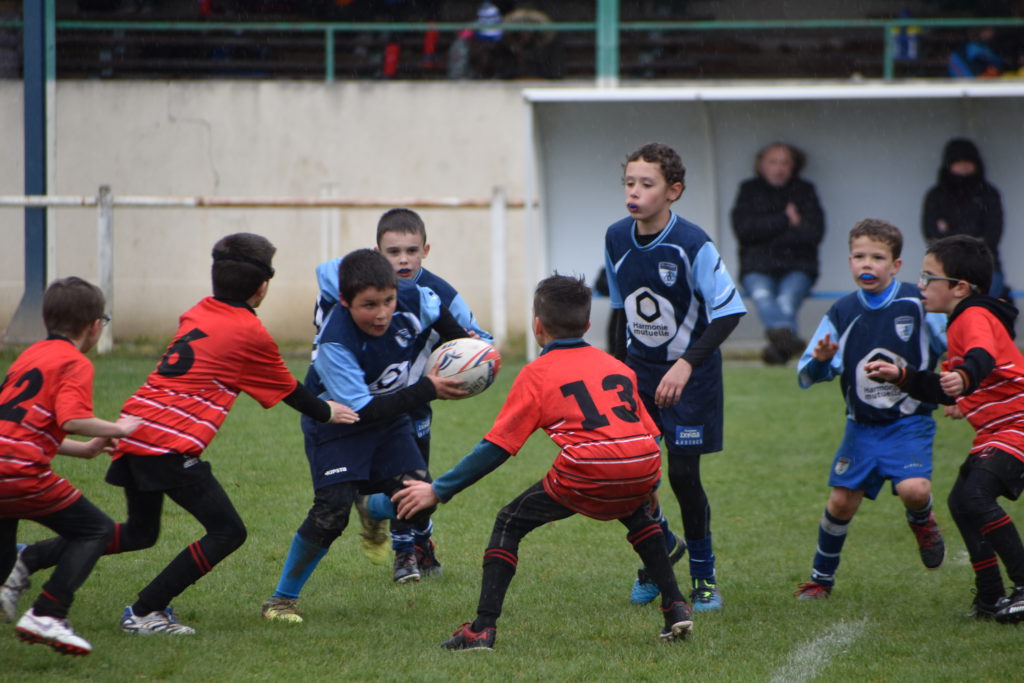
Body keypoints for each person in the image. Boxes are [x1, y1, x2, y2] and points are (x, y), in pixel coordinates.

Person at [2, 233, 358, 637]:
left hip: (133, 430)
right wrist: (328, 411)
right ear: (262, 287)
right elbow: (288, 388)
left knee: (140, 532)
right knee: (228, 531)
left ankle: (28, 557)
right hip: (166, 444)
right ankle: (145, 611)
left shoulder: (198, 312)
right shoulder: (248, 332)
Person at [373, 274, 693, 649]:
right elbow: (650, 432)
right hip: (642, 460)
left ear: (537, 326)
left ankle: (482, 628)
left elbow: (497, 447)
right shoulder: (615, 365)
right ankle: (675, 609)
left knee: (509, 522)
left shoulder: (537, 374)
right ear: (588, 325)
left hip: (588, 467)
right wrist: (650, 483)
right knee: (637, 510)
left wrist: (439, 490)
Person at [259, 248, 467, 623]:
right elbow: (364, 411)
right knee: (330, 514)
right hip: (338, 421)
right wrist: (427, 388)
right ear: (344, 300)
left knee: (422, 497)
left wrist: (469, 355)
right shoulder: (335, 343)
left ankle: (371, 509)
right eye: (369, 305)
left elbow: (444, 321)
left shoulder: (412, 296)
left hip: (390, 419)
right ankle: (280, 601)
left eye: (388, 300)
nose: (383, 312)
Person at [604, 142, 747, 611]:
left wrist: (685, 364)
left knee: (684, 476)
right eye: (629, 182)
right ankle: (656, 558)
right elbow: (620, 312)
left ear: (673, 191)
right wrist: (616, 369)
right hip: (638, 376)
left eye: (647, 184)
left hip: (692, 377)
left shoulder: (693, 244)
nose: (635, 192)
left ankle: (704, 578)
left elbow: (728, 313)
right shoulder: (615, 238)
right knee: (635, 477)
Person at [866, 235, 1024, 623]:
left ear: (959, 287)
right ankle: (990, 597)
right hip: (996, 430)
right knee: (960, 501)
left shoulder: (973, 316)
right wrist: (902, 376)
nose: (921, 285)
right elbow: (944, 386)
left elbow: (981, 359)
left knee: (975, 497)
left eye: (929, 276)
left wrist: (966, 380)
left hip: (1017, 425)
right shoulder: (963, 319)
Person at [793, 219, 947, 600]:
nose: (868, 264)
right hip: (861, 426)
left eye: (878, 257)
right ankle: (820, 580)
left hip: (909, 421)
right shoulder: (843, 312)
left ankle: (921, 520)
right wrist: (821, 360)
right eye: (860, 256)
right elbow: (808, 374)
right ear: (849, 262)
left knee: (914, 489)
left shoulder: (919, 302)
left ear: (895, 265)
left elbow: (955, 342)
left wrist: (961, 377)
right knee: (841, 502)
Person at [0, 277, 140, 657]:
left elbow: (24, 427)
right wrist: (118, 428)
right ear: (94, 326)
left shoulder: (29, 356)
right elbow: (73, 418)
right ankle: (49, 613)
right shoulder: (74, 362)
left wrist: (85, 451)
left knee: (3, 568)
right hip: (19, 473)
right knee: (95, 529)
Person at [348, 208, 490, 575]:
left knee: (415, 486)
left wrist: (473, 347)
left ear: (426, 249)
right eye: (393, 252)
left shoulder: (439, 293)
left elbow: (477, 340)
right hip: (369, 406)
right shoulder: (361, 293)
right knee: (397, 483)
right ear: (377, 252)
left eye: (411, 250)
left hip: (418, 405)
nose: (403, 259)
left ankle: (407, 543)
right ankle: (406, 545)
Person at [730, 142, 825, 365]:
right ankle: (788, 344)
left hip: (798, 266)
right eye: (773, 162)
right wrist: (785, 221)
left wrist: (766, 232)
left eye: (785, 162)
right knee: (763, 296)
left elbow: (813, 234)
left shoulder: (805, 191)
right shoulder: (749, 190)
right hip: (757, 267)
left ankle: (779, 349)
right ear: (761, 165)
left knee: (785, 301)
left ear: (794, 167)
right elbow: (744, 231)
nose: (779, 168)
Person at [922, 137, 1007, 299]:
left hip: (986, 267)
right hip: (946, 269)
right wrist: (970, 236)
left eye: (968, 161)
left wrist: (950, 232)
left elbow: (993, 234)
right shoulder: (936, 196)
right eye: (958, 161)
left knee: (987, 309)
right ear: (949, 164)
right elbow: (931, 233)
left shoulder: (988, 194)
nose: (963, 166)